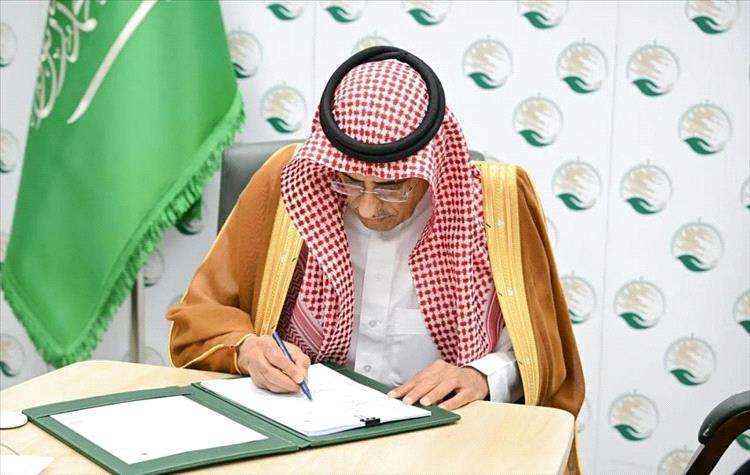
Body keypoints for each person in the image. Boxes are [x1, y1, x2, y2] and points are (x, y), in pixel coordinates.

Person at [167, 47, 584, 471]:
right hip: (305, 442)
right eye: (350, 182)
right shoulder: (289, 186)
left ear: (432, 166)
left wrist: (481, 375)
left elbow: (542, 357)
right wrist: (248, 350)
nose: (367, 208)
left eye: (391, 187)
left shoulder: (496, 205)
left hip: (441, 448)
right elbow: (200, 315)